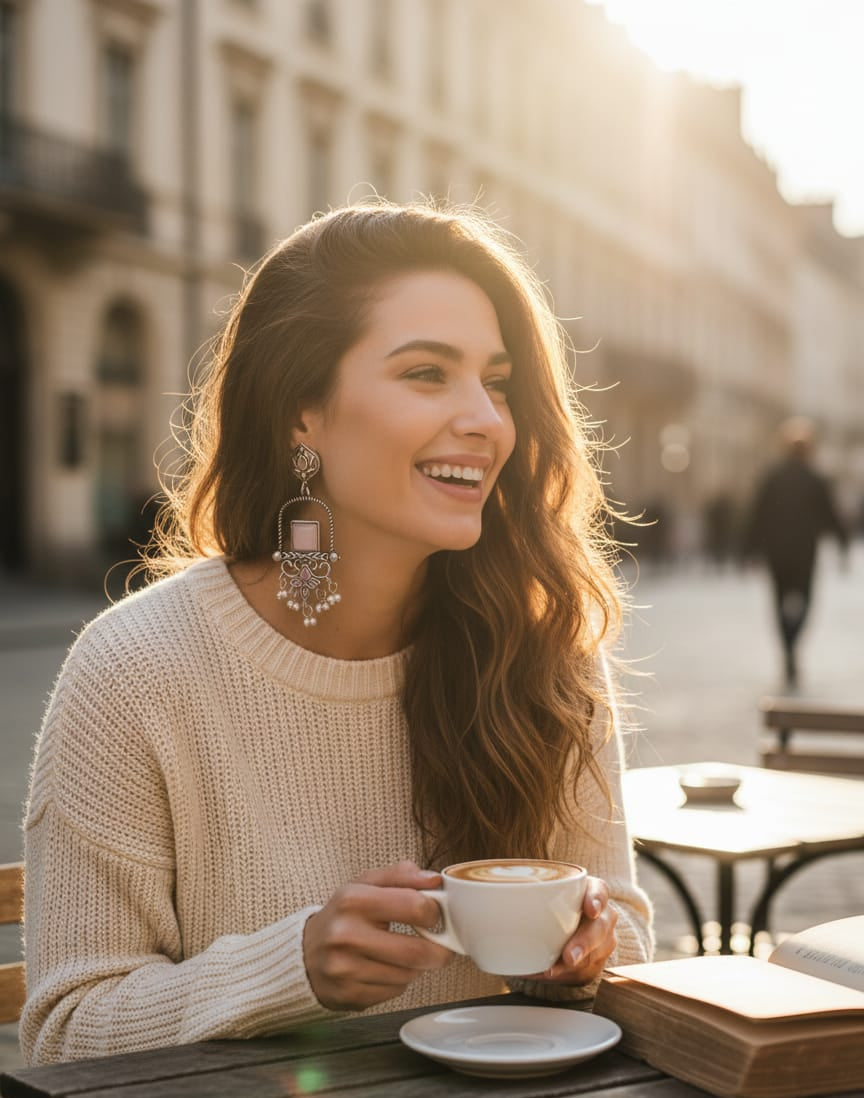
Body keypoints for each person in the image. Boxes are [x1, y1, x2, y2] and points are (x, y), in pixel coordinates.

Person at [21, 201, 653, 1065]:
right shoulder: (137, 669)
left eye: (496, 381)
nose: (487, 420)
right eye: (428, 373)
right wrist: (294, 967)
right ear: (301, 413)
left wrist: (586, 961)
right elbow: (67, 1028)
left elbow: (625, 936)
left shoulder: (544, 646)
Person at [744, 416, 849, 686]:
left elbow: (757, 515)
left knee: (778, 601)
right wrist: (842, 546)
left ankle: (787, 647)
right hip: (804, 553)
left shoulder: (773, 478)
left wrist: (748, 549)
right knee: (805, 600)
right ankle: (793, 639)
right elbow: (831, 516)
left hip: (776, 552)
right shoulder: (816, 479)